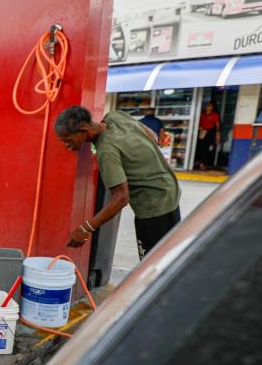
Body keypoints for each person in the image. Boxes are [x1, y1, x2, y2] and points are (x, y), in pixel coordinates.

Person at [55, 106, 181, 260]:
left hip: (153, 206)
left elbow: (121, 198)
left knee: (152, 262)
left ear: (83, 129)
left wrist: (85, 229)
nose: (67, 146)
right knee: (169, 255)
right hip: (169, 190)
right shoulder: (116, 116)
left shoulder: (106, 151)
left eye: (68, 140)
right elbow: (153, 137)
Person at [194, 100, 221, 169]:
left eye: (209, 105)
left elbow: (217, 124)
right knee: (199, 146)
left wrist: (217, 133)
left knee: (206, 148)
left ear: (212, 107)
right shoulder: (202, 114)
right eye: (206, 105)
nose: (207, 107)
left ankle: (202, 163)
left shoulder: (214, 115)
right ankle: (197, 161)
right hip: (201, 131)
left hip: (209, 132)